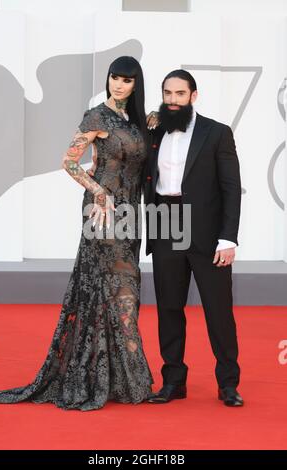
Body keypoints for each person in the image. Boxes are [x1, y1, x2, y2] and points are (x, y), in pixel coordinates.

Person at [0, 56, 153, 411]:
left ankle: (119, 376)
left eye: (126, 80)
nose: (119, 85)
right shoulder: (97, 116)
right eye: (114, 78)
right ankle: (109, 375)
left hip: (131, 212)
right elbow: (69, 161)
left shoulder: (138, 121)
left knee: (127, 286)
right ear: (108, 80)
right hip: (102, 210)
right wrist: (96, 190)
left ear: (136, 84)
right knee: (112, 286)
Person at [144, 69, 243, 406]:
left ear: (193, 96)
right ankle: (173, 381)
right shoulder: (153, 131)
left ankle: (228, 383)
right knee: (169, 307)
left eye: (180, 94)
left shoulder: (216, 133)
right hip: (164, 224)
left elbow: (231, 189)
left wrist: (228, 238)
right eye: (167, 93)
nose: (173, 100)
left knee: (219, 311)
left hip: (207, 232)